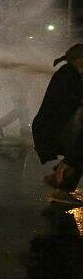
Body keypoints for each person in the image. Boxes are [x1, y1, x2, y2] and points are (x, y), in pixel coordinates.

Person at [33, 43, 83, 206]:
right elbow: (68, 101)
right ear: (79, 60)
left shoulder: (72, 73)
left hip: (55, 126)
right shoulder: (68, 74)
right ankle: (61, 184)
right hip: (52, 129)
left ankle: (59, 180)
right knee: (78, 148)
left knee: (78, 149)